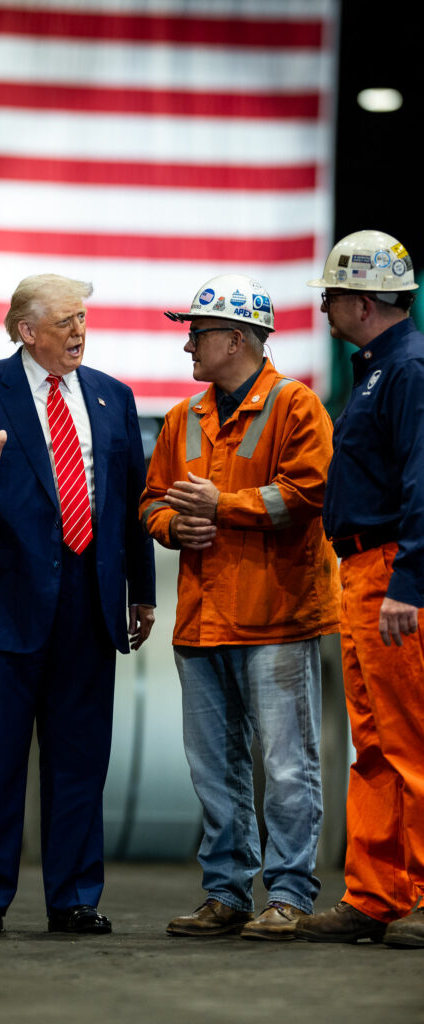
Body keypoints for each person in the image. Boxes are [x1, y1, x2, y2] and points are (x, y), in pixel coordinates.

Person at [0, 273, 156, 936]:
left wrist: (139, 589)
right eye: (64, 322)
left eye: (82, 320)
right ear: (26, 330)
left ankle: (74, 897)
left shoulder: (113, 399)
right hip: (4, 604)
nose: (78, 333)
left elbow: (130, 506)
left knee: (80, 760)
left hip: (89, 604)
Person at [140, 274, 340, 940]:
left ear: (235, 338)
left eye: (197, 334)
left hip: (275, 615)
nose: (188, 346)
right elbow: (152, 502)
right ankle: (224, 892)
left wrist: (221, 509)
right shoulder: (181, 419)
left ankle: (287, 895)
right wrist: (174, 527)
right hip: (202, 619)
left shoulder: (296, 407)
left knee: (287, 765)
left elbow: (306, 495)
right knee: (213, 767)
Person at [296, 229, 424, 948]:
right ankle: (374, 896)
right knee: (373, 745)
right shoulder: (378, 368)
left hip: (391, 578)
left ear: (363, 300)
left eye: (332, 295)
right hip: (362, 574)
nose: (324, 308)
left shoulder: (407, 370)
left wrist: (410, 579)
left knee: (411, 742)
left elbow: (421, 482)